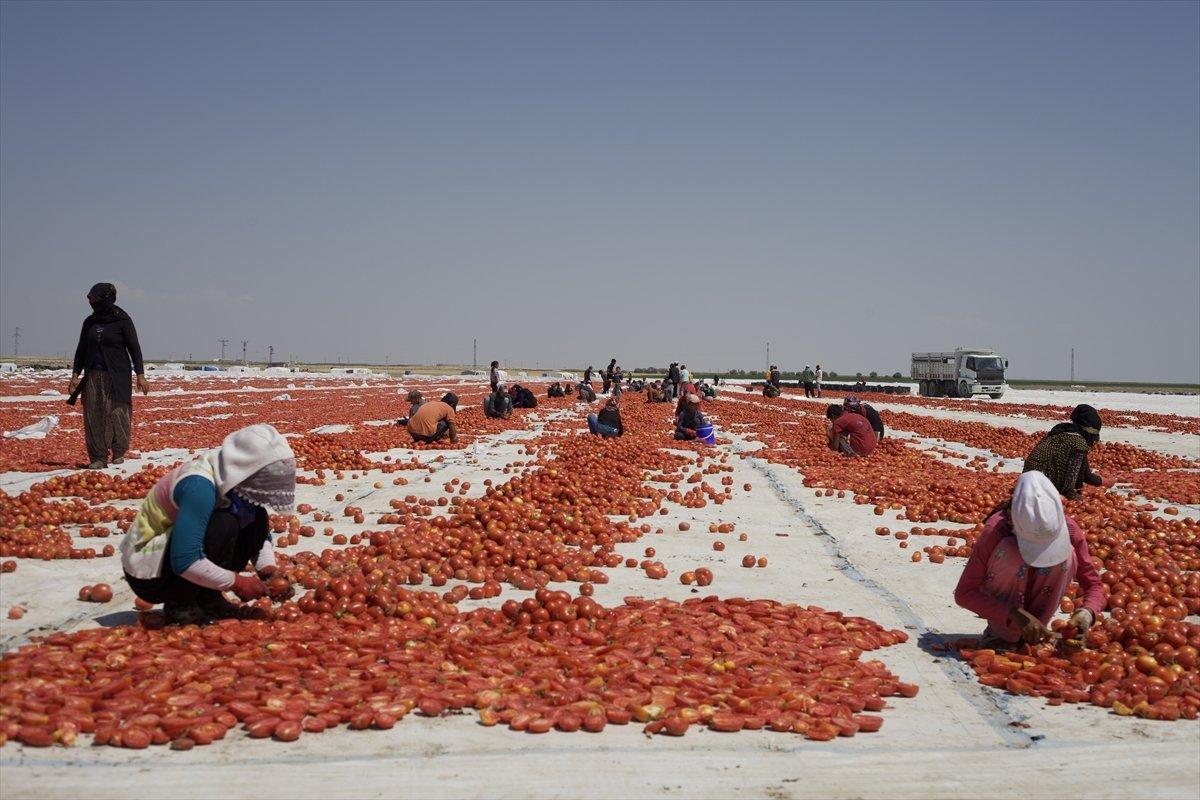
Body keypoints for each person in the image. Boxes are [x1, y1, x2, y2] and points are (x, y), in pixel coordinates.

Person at [120, 424, 295, 624]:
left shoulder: (231, 479)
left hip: (176, 558)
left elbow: (257, 533)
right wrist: (237, 583)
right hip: (150, 573)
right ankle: (181, 602)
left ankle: (208, 597)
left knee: (257, 515)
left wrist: (269, 572)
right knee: (224, 524)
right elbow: (185, 559)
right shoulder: (199, 486)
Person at [954, 471, 1104, 649]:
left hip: (1042, 603)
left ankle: (1036, 633)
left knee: (1068, 555)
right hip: (1006, 610)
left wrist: (1087, 613)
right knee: (1009, 551)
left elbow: (1094, 585)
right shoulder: (996, 531)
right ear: (1015, 524)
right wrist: (1012, 615)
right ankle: (1003, 634)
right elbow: (964, 593)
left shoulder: (1071, 530)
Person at [68, 283, 149, 469]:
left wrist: (141, 375)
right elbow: (81, 349)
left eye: (95, 299)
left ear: (107, 299)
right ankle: (98, 456)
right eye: (90, 299)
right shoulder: (89, 322)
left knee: (117, 413)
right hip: (93, 376)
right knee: (93, 414)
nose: (92, 302)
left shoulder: (123, 321)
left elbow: (134, 349)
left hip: (118, 375)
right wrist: (75, 374)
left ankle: (119, 450)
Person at [1023, 404, 1113, 499]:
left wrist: (1102, 481)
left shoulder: (1059, 432)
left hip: (1025, 482)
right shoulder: (1078, 442)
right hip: (1040, 486)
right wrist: (1069, 492)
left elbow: (1084, 471)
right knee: (1072, 497)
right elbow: (1084, 475)